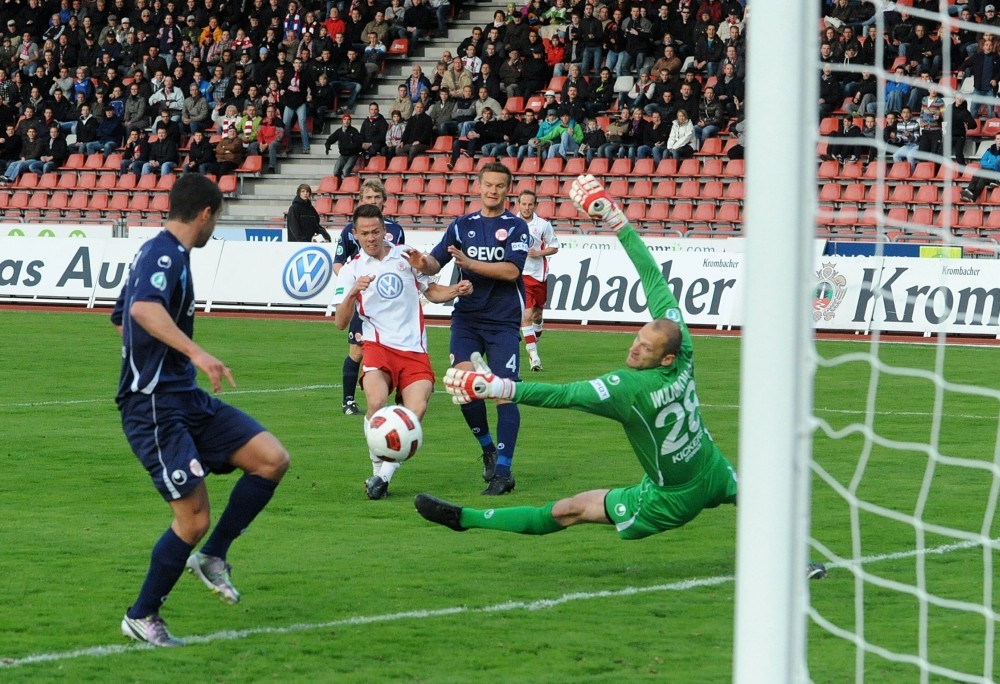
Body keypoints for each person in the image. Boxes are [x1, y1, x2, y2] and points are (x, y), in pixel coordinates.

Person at [413, 175, 827, 584]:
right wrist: (616, 220)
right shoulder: (680, 343)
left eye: (644, 349)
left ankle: (465, 518)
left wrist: (495, 387)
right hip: (712, 468)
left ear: (664, 357)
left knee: (568, 511)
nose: (634, 348)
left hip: (669, 498)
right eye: (638, 338)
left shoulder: (630, 388)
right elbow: (651, 274)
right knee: (763, 498)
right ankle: (799, 562)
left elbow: (562, 395)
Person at [113, 174, 291, 647]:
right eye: (218, 218)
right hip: (154, 407)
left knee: (271, 459)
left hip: (183, 397)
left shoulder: (163, 253)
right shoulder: (165, 254)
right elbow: (141, 311)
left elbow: (119, 316)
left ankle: (213, 557)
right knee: (192, 519)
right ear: (207, 213)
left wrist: (157, 358)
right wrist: (194, 354)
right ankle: (141, 615)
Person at [333, 204, 473, 500]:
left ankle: (383, 477)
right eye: (364, 233)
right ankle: (377, 471)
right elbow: (340, 322)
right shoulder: (351, 270)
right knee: (376, 402)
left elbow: (431, 292)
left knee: (416, 410)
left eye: (375, 231)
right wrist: (353, 293)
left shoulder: (406, 256)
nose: (371, 238)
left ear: (385, 231)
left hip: (413, 350)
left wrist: (455, 290)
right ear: (355, 234)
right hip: (378, 346)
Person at [405, 162, 529, 496]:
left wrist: (470, 264)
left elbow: (511, 272)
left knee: (504, 393)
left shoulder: (516, 226)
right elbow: (436, 261)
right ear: (479, 186)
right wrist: (422, 263)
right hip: (468, 319)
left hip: (503, 321)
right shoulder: (462, 225)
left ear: (507, 190)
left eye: (499, 186)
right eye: (488, 184)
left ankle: (503, 472)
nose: (493, 191)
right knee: (464, 387)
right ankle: (488, 449)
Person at [333, 179, 406, 416]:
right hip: (363, 301)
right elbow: (338, 264)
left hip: (391, 301)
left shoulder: (396, 230)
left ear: (384, 201)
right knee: (357, 350)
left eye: (377, 198)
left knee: (398, 347)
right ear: (360, 200)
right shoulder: (350, 230)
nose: (373, 201)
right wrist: (353, 286)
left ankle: (401, 395)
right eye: (368, 198)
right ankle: (348, 401)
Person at [516, 190, 559, 372]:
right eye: (523, 204)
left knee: (537, 315)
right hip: (519, 275)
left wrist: (538, 253)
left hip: (538, 275)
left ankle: (534, 341)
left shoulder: (543, 225)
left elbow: (554, 247)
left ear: (535, 205)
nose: (526, 207)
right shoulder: (512, 223)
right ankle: (534, 357)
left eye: (530, 204)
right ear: (519, 204)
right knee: (526, 315)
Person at [324, 112, 363, 180]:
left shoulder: (354, 131)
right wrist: (327, 145)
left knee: (345, 171)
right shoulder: (339, 131)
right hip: (343, 155)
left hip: (353, 155)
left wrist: (349, 147)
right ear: (342, 121)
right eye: (345, 119)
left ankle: (348, 184)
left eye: (348, 119)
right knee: (336, 172)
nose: (346, 121)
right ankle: (339, 184)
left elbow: (358, 143)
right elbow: (331, 138)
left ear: (350, 121)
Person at [962, 132, 1000, 202]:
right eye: (998, 139)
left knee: (982, 176)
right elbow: (982, 162)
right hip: (988, 173)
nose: (999, 141)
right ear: (995, 140)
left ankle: (972, 197)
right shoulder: (990, 149)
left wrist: (990, 165)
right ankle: (969, 191)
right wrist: (992, 166)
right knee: (979, 173)